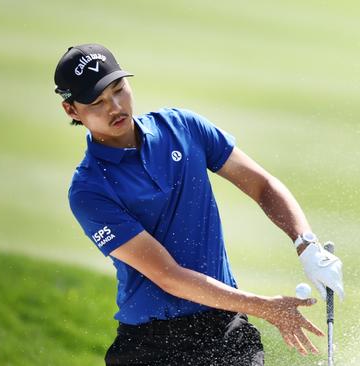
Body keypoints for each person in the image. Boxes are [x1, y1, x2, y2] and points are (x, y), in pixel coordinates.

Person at [53, 43, 344, 366]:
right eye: (98, 102)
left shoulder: (183, 128)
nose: (116, 107)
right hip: (152, 347)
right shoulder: (89, 190)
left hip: (224, 329)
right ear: (71, 110)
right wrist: (265, 307)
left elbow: (262, 185)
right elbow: (168, 275)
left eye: (119, 89)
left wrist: (306, 243)